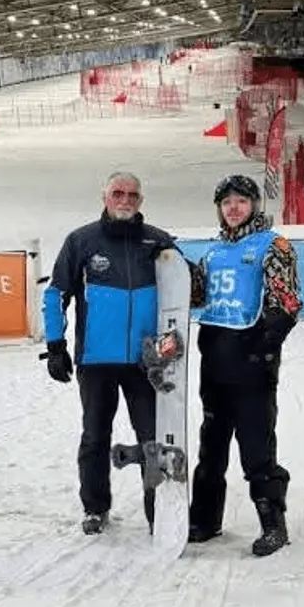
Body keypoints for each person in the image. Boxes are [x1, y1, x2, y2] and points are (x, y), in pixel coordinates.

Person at [41, 171, 178, 536]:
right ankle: (95, 507)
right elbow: (56, 294)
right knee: (95, 436)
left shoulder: (158, 242)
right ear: (104, 197)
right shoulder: (82, 241)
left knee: (153, 439)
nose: (125, 200)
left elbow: (182, 291)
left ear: (141, 201)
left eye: (132, 195)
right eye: (118, 193)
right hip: (96, 361)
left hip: (145, 363)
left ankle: (158, 511)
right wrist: (55, 346)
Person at [186, 174, 302, 557]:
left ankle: (273, 525)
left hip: (252, 363)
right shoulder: (214, 252)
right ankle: (205, 520)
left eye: (241, 201)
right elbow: (198, 295)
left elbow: (287, 303)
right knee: (212, 446)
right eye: (226, 203)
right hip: (215, 361)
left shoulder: (273, 245)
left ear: (254, 204)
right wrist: (175, 267)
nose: (233, 208)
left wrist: (263, 349)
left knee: (256, 448)